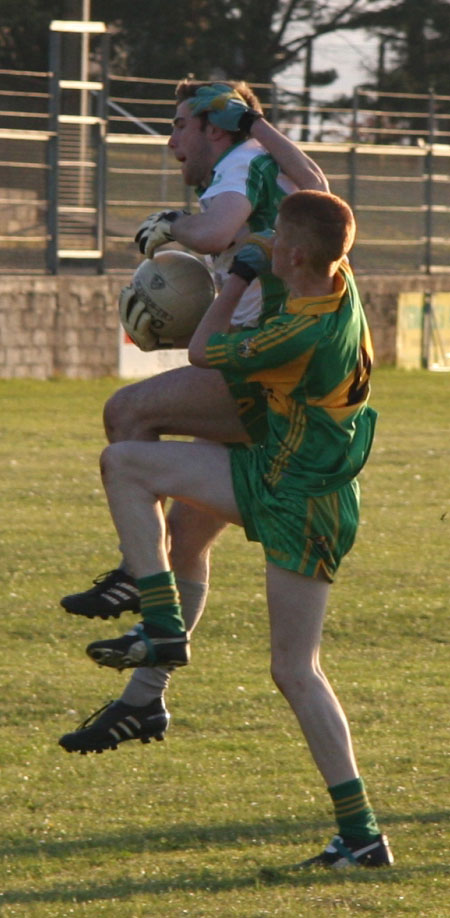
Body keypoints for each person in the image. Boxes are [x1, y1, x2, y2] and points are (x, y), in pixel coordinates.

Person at [60, 190, 393, 869]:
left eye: (279, 248)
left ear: (294, 256)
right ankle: (160, 624)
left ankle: (360, 836)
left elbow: (208, 351)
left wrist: (237, 274)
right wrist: (259, 245)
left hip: (305, 503)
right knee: (124, 463)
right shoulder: (336, 274)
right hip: (272, 474)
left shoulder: (301, 330)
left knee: (294, 670)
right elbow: (293, 235)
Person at [58, 79, 330, 754]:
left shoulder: (237, 166)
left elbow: (214, 228)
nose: (172, 141)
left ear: (215, 129)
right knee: (183, 538)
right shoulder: (261, 160)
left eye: (181, 125)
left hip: (264, 378)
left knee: (127, 413)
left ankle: (138, 583)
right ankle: (144, 700)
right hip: (285, 387)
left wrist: (167, 227)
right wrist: (257, 123)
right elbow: (317, 181)